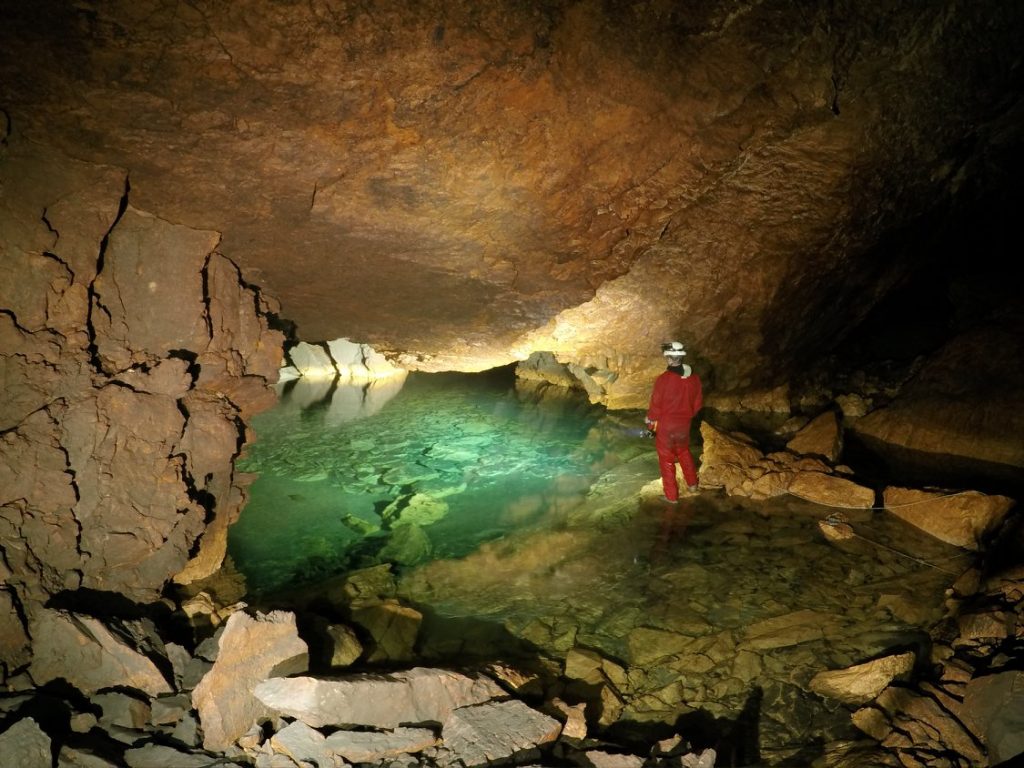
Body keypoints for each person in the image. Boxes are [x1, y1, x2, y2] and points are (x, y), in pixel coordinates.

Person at [646, 341, 703, 502]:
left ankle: (671, 496)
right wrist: (686, 414)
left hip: (666, 425)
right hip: (684, 424)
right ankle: (692, 485)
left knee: (666, 459)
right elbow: (698, 404)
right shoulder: (694, 379)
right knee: (684, 451)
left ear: (669, 359)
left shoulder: (663, 380)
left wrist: (650, 421)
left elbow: (656, 406)